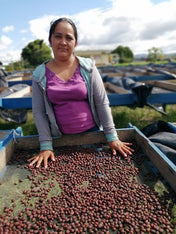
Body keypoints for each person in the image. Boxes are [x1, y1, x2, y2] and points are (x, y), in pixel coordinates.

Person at [28, 17, 133, 168]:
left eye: (68, 38)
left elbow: (102, 102)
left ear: (75, 43)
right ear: (50, 41)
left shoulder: (87, 68)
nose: (63, 42)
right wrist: (45, 145)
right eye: (58, 36)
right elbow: (38, 112)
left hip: (93, 135)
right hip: (60, 140)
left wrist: (112, 136)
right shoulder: (40, 74)